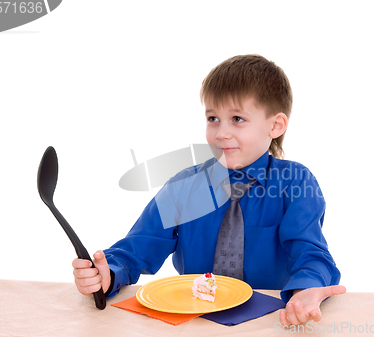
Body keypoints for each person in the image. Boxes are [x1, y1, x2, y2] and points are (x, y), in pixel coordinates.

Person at [72, 54, 346, 325]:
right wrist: (107, 273)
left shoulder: (296, 182)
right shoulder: (184, 187)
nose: (220, 133)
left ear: (275, 125)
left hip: (270, 321)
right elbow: (136, 249)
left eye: (237, 119)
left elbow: (311, 253)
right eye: (213, 118)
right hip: (193, 320)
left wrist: (306, 291)